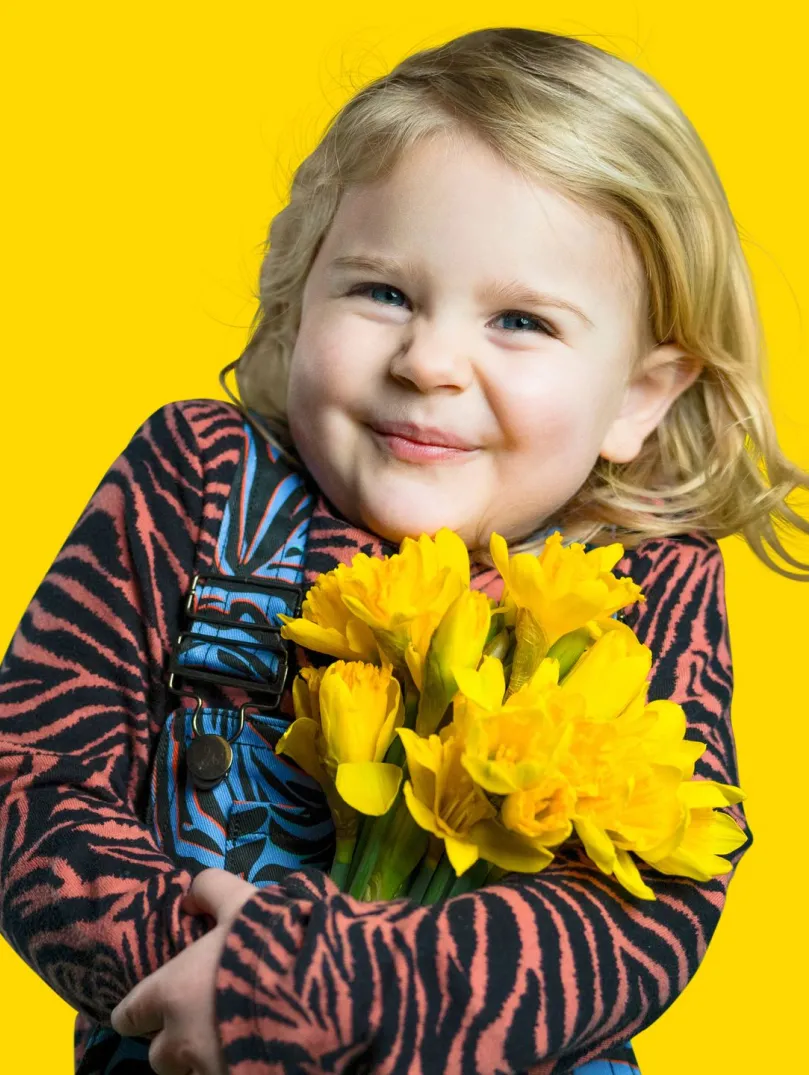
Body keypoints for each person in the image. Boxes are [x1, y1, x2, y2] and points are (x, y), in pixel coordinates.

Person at [0, 25, 804, 1075]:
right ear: (301, 292)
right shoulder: (196, 481)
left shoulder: (643, 581)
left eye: (519, 320)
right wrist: (196, 974)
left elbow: (643, 914)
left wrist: (319, 992)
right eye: (382, 291)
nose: (428, 361)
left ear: (639, 398)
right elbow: (36, 776)